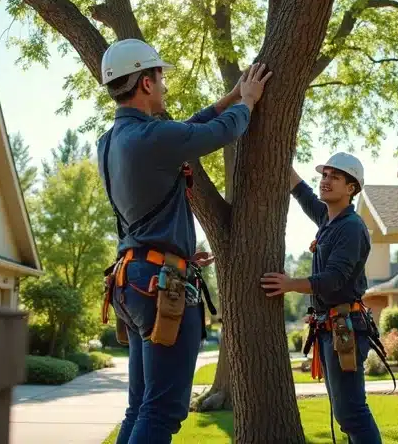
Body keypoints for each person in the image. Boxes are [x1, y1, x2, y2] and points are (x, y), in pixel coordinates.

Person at [97, 38, 272, 444]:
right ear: (144, 82)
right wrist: (246, 102)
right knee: (162, 411)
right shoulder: (153, 139)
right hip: (161, 282)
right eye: (159, 78)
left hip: (132, 278)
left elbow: (185, 131)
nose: (164, 86)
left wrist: (228, 97)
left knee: (140, 405)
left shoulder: (111, 142)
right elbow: (216, 133)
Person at [261, 152, 385, 444]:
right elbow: (303, 193)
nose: (325, 181)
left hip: (346, 328)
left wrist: (291, 284)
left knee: (352, 412)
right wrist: (281, 160)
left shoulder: (351, 228)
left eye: (334, 177)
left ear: (351, 188)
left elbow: (332, 280)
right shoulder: (328, 220)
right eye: (324, 175)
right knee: (345, 413)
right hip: (330, 326)